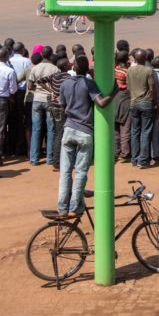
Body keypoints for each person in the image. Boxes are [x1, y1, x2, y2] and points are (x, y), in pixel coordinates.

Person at [57, 55, 114, 216]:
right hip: (84, 131)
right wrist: (114, 92)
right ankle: (74, 208)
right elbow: (101, 103)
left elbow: (62, 107)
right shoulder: (88, 83)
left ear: (73, 67)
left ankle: (62, 207)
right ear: (87, 69)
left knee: (66, 171)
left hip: (68, 129)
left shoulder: (65, 84)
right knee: (81, 171)